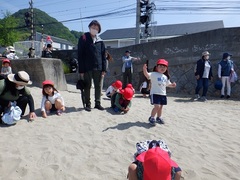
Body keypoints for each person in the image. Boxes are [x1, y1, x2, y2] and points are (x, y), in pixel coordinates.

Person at [77, 20, 106, 111]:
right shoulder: (84, 38)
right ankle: (87, 104)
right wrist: (81, 69)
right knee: (87, 86)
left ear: (99, 30)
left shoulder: (100, 41)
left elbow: (103, 55)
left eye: (96, 28)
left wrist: (104, 69)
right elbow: (80, 54)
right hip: (87, 67)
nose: (94, 29)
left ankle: (98, 103)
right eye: (93, 27)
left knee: (98, 86)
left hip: (98, 67)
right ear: (89, 27)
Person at [143, 59, 176, 125]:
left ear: (166, 69)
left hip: (163, 94)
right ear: (157, 67)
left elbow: (168, 84)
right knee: (157, 106)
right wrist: (144, 69)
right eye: (160, 66)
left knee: (161, 107)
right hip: (155, 93)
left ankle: (159, 117)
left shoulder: (165, 77)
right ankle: (152, 117)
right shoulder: (153, 74)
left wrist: (172, 85)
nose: (162, 68)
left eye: (164, 67)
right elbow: (147, 75)